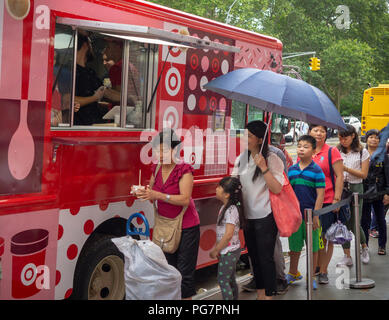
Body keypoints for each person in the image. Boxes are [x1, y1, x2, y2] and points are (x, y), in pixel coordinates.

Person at [134, 128, 200, 299]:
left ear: (175, 149)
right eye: (157, 150)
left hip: (186, 227)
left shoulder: (184, 169)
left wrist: (158, 195)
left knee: (184, 275)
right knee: (167, 272)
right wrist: (144, 193)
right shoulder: (156, 168)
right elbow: (152, 193)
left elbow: (185, 199)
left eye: (164, 150)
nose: (160, 154)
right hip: (165, 225)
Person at [233, 120, 284, 300]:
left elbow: (277, 188)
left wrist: (263, 168)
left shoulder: (272, 159)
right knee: (254, 257)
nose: (245, 138)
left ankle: (269, 294)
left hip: (265, 216)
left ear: (260, 139)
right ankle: (261, 293)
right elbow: (235, 185)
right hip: (247, 216)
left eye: (250, 136)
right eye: (245, 134)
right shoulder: (241, 159)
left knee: (265, 257)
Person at [286, 135, 325, 290]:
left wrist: (316, 215)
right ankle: (293, 272)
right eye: (299, 146)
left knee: (313, 248)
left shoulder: (317, 171)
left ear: (314, 150)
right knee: (294, 247)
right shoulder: (291, 170)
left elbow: (320, 195)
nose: (301, 149)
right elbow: (288, 193)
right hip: (295, 216)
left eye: (306, 146)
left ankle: (311, 276)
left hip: (311, 217)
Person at [308, 124, 344, 285]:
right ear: (309, 132)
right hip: (309, 202)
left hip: (328, 201)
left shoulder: (331, 151)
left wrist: (337, 199)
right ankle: (316, 266)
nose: (319, 133)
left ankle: (323, 270)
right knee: (314, 237)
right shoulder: (306, 150)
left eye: (322, 130)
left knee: (325, 237)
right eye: (316, 130)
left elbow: (340, 176)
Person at [336, 124, 370, 266]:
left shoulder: (362, 152)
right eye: (340, 137)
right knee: (342, 222)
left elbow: (363, 174)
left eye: (346, 138)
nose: (343, 140)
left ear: (353, 136)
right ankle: (347, 255)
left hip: (356, 188)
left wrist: (345, 169)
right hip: (341, 188)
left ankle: (364, 248)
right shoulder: (336, 151)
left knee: (355, 221)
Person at [210, 176, 244, 300]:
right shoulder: (226, 208)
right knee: (230, 279)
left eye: (220, 187)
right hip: (229, 250)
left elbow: (228, 234)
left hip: (229, 251)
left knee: (222, 280)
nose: (216, 188)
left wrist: (216, 249)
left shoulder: (230, 210)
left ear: (227, 194)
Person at [361, 129, 388, 255]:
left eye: (377, 138)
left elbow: (387, 175)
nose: (374, 139)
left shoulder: (384, 156)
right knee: (364, 220)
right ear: (366, 139)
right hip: (364, 192)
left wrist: (387, 193)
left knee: (380, 220)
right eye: (371, 137)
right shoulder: (361, 154)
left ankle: (382, 245)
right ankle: (364, 246)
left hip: (379, 192)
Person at [74, 33, 107, 125]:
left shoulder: (90, 72)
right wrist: (94, 98)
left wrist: (125, 97)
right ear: (85, 45)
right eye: (90, 43)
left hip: (94, 124)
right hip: (79, 125)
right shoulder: (71, 71)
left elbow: (105, 91)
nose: (92, 47)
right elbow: (69, 100)